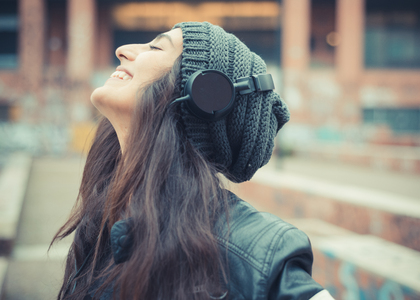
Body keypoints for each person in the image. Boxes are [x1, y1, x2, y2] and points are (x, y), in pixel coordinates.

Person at [52, 22, 334, 300]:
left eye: (156, 47)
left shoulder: (257, 254)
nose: (122, 50)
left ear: (204, 92)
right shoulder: (99, 226)